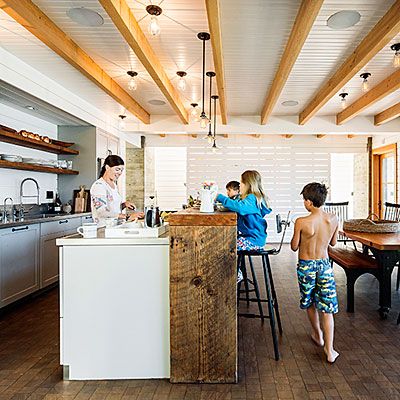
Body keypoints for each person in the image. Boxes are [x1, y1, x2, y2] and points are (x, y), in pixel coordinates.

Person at [290, 182, 339, 364]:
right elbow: (333, 243)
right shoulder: (333, 219)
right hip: (325, 265)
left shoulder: (302, 221)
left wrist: (299, 236)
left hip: (306, 266)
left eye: (304, 200)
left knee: (309, 301)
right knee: (328, 308)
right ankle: (330, 349)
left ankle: (317, 334)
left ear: (309, 202)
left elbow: (294, 247)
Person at [216, 170, 272, 252]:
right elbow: (237, 203)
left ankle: (231, 265)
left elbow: (240, 207)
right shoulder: (252, 198)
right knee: (225, 242)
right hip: (253, 238)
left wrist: (220, 197)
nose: (239, 185)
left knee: (225, 246)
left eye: (241, 182)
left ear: (247, 184)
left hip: (253, 241)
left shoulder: (252, 198)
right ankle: (236, 265)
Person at [90, 155, 143, 226]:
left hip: (115, 227)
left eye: (121, 170)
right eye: (117, 169)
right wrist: (128, 217)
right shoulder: (99, 186)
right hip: (104, 229)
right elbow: (102, 212)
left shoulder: (113, 185)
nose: (120, 172)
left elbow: (112, 208)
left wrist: (124, 205)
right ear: (107, 168)